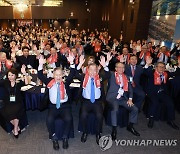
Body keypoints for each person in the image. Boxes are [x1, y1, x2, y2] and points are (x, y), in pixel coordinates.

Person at [37, 54, 75, 150]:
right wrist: (40, 65)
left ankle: (65, 136)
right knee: (49, 120)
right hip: (53, 106)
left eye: (60, 75)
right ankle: (54, 137)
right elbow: (40, 75)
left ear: (62, 75)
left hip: (65, 106)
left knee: (69, 118)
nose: (58, 77)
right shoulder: (49, 82)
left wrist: (72, 63)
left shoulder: (66, 82)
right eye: (56, 75)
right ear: (53, 75)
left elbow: (72, 73)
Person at [75, 55, 110, 145]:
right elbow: (74, 73)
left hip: (97, 102)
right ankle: (85, 132)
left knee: (99, 116)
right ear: (87, 70)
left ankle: (98, 133)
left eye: (95, 70)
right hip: (86, 102)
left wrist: (105, 65)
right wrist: (79, 64)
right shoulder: (83, 77)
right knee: (83, 115)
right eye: (91, 70)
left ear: (97, 70)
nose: (93, 72)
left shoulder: (100, 78)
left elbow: (108, 74)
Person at [106, 62, 140, 141]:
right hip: (113, 98)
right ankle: (114, 129)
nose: (121, 69)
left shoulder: (127, 77)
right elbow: (106, 72)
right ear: (116, 69)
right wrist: (105, 65)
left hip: (122, 99)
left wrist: (130, 99)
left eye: (122, 68)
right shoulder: (111, 75)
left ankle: (130, 126)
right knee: (115, 109)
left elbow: (131, 90)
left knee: (135, 109)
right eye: (119, 67)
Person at [144, 56, 179, 130]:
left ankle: (170, 120)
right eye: (160, 67)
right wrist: (147, 64)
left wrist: (179, 65)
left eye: (163, 67)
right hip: (153, 92)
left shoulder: (165, 74)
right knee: (154, 103)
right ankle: (151, 119)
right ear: (156, 67)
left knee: (170, 103)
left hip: (162, 93)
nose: (161, 68)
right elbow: (146, 72)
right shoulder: (152, 73)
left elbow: (175, 73)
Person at [0, 66, 29, 138]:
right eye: (9, 75)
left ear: (15, 76)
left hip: (17, 102)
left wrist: (25, 73)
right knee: (7, 112)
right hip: (8, 102)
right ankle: (17, 128)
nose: (10, 77)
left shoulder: (18, 82)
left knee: (16, 111)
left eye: (12, 75)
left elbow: (27, 83)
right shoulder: (5, 82)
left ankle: (15, 129)